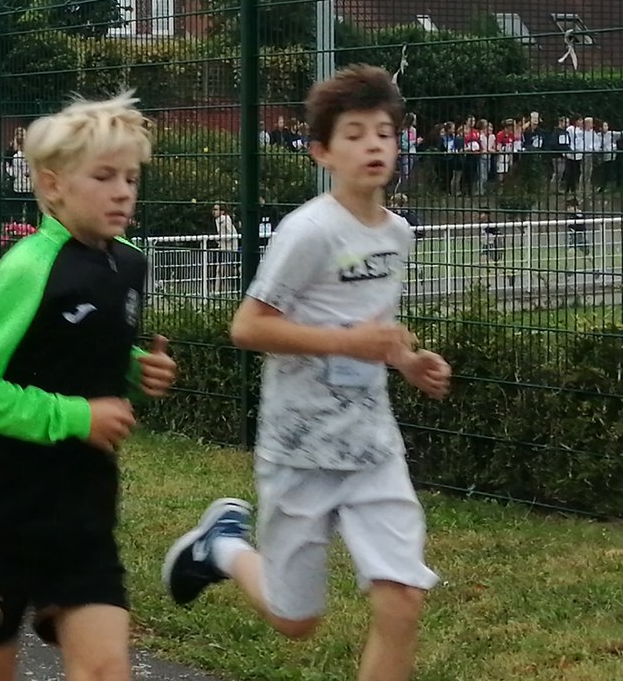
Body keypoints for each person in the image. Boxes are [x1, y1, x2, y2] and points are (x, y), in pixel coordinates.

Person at [160, 65, 451, 681]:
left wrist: (406, 359)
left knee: (402, 600)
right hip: (300, 449)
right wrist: (349, 342)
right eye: (355, 134)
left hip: (372, 449)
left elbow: (375, 327)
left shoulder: (397, 234)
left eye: (383, 133)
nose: (373, 146)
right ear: (322, 152)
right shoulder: (308, 231)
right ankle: (222, 547)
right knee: (295, 620)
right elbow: (248, 327)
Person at [0, 93, 177, 681]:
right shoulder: (27, 268)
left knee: (106, 671)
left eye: (131, 177)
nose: (123, 192)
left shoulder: (129, 264)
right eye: (104, 177)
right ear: (52, 184)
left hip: (84, 508)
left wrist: (135, 370)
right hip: (0, 509)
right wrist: (76, 417)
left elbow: (77, 352)